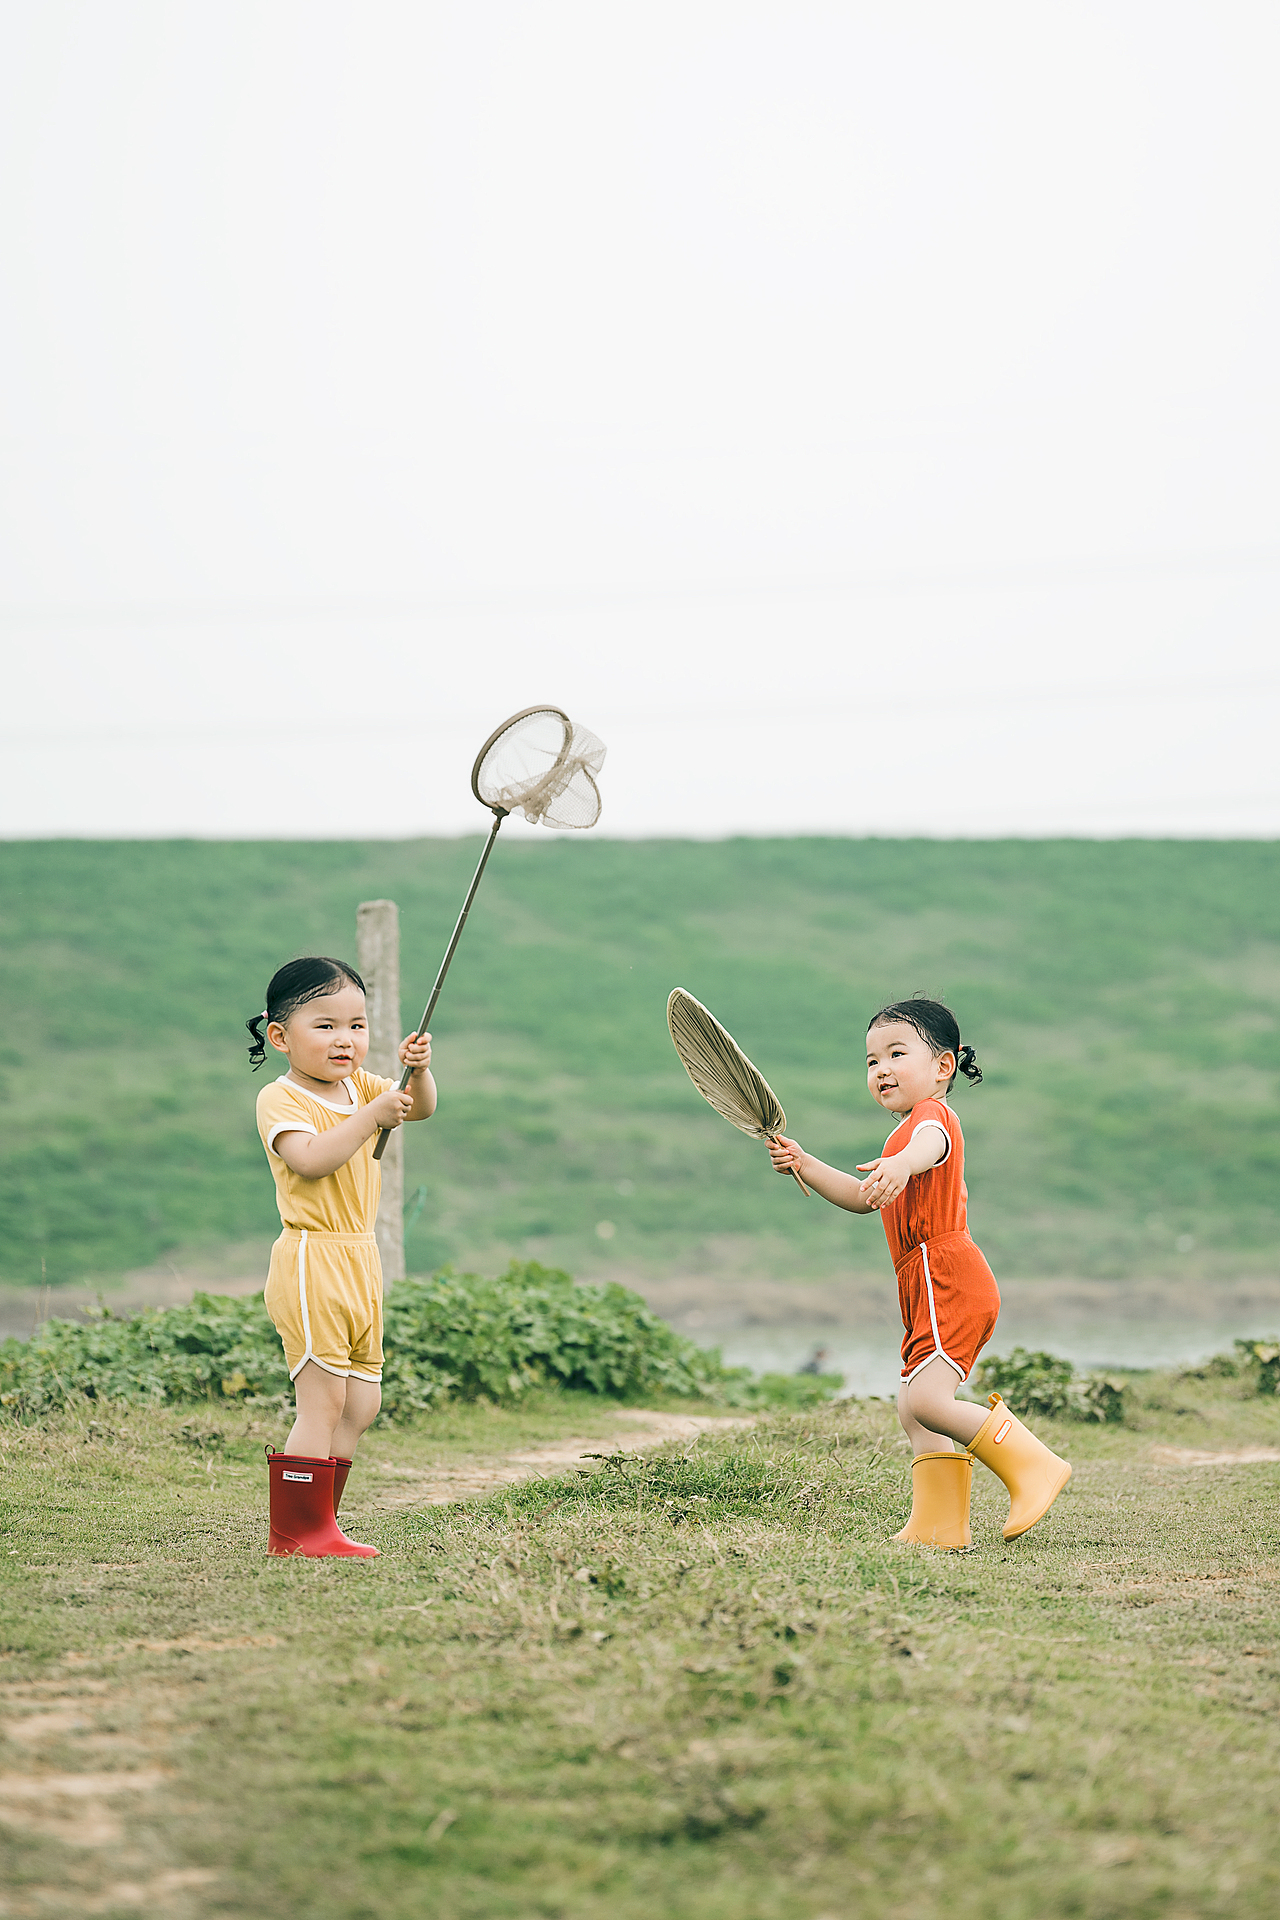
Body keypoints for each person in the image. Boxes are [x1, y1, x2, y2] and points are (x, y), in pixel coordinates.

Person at [767, 998, 1070, 1549]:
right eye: (870, 1061)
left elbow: (932, 1149)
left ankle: (1035, 1467)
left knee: (930, 1401)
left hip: (947, 1274)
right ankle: (940, 1525)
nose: (880, 1069)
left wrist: (904, 1162)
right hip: (924, 1280)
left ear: (942, 1067)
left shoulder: (931, 1119)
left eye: (896, 1053)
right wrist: (805, 1162)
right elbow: (864, 1199)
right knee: (913, 1410)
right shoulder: (898, 1137)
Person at [245, 956, 437, 1558]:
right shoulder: (280, 1099)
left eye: (357, 1025)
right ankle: (296, 1532)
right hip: (311, 1257)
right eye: (324, 1025)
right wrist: (369, 1117)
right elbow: (311, 1159)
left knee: (361, 1403)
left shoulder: (363, 1087)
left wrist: (416, 1073)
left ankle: (322, 1521)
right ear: (280, 1037)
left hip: (360, 1257)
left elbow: (419, 1107)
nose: (345, 1040)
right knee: (322, 1399)